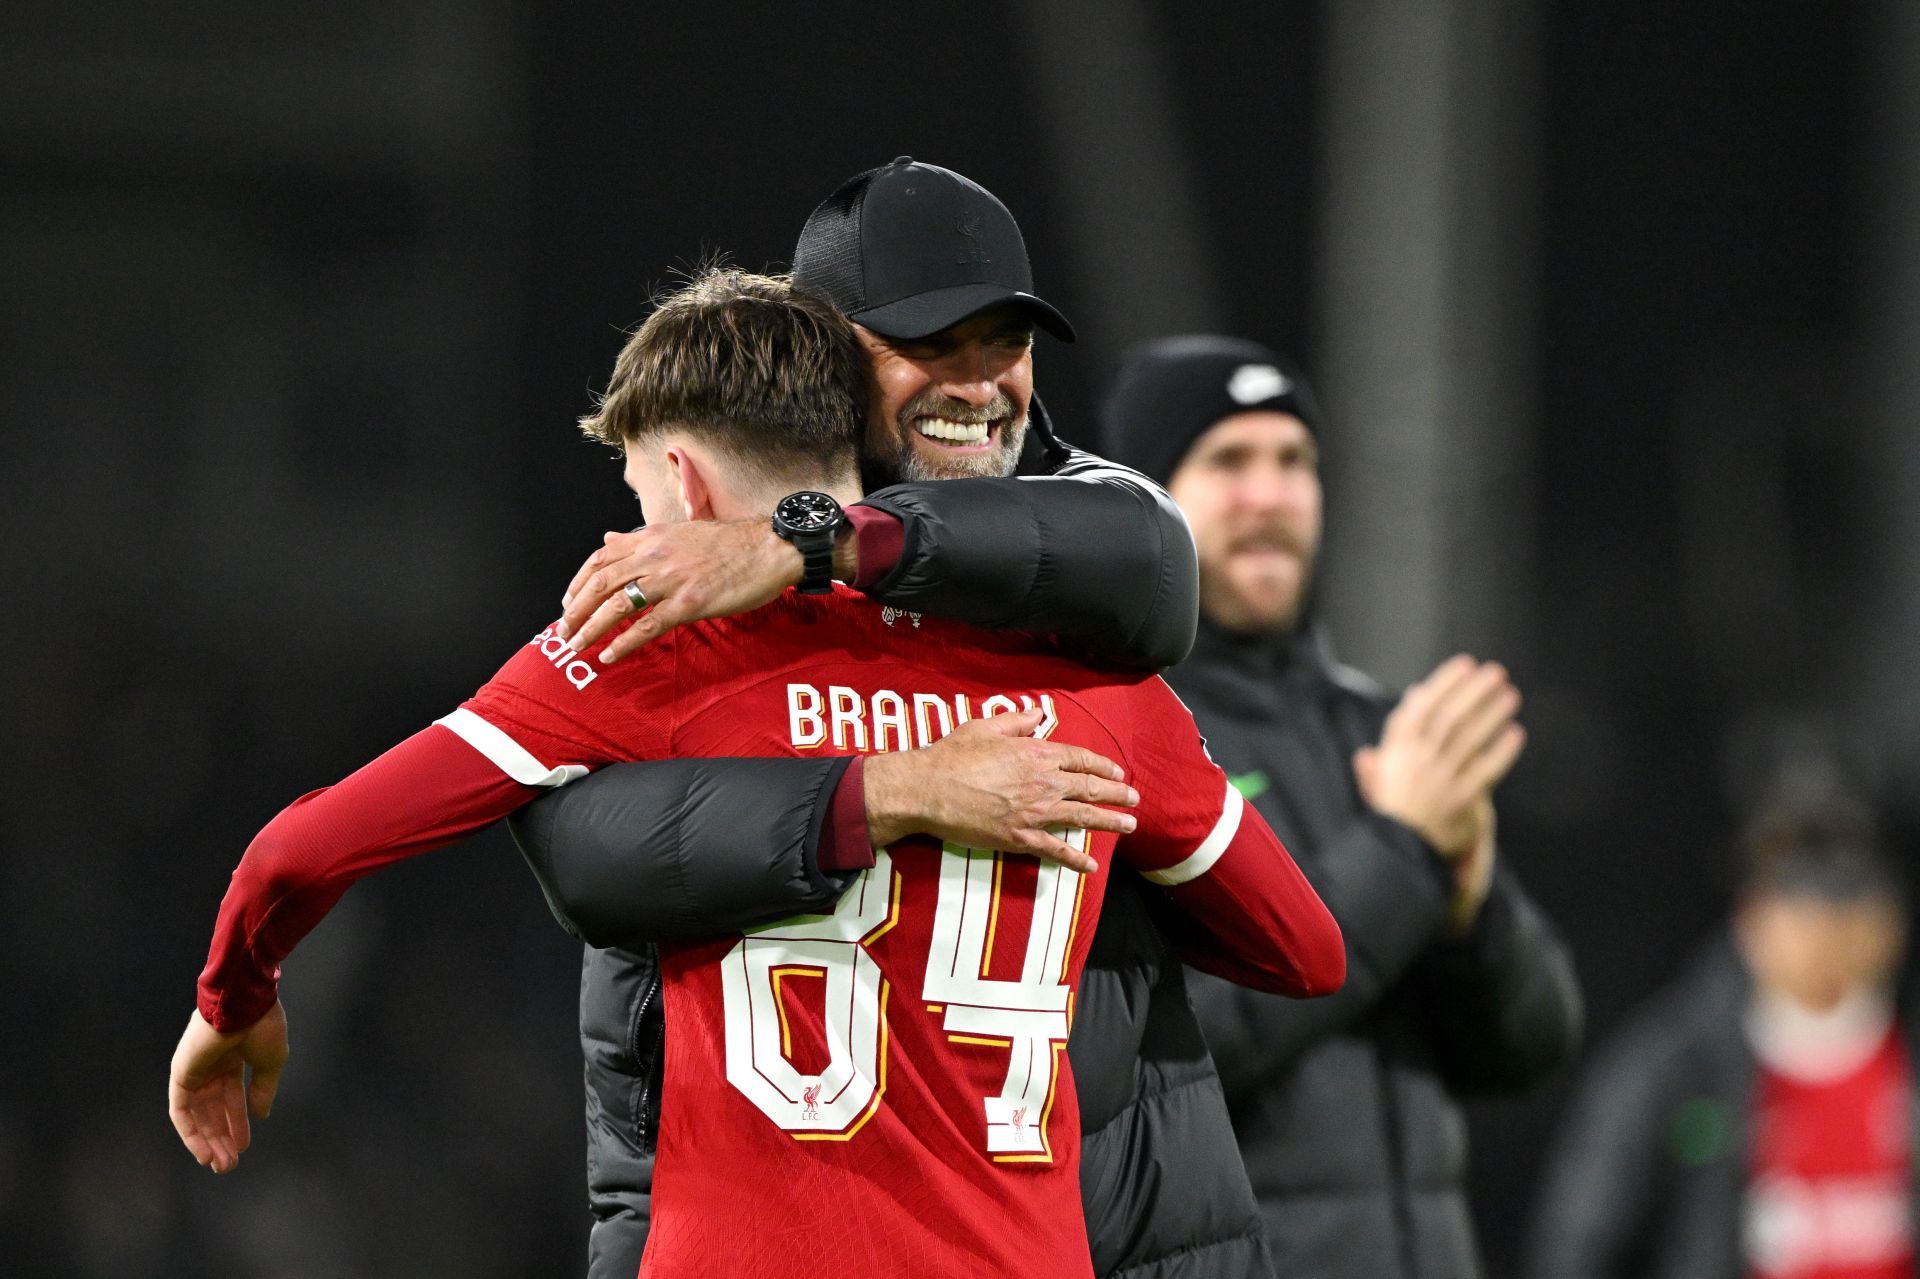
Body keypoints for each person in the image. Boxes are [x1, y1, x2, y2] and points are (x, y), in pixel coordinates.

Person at [167, 268, 1346, 1279]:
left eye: (636, 497)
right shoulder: (1096, 686)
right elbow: (1305, 949)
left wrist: (235, 1002)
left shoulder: (640, 650)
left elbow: (301, 849)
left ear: (679, 486)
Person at [521, 161, 1287, 1279]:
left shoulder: (1073, 540)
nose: (979, 386)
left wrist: (817, 536)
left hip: (1092, 1221)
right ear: (823, 355)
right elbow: (581, 849)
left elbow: (1155, 564)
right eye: (932, 343)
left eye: (1007, 344)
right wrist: (892, 792)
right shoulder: (694, 570)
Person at [1099, 334, 1584, 1279]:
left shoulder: (1386, 730)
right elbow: (1163, 1045)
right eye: (1228, 461)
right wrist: (1401, 852)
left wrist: (1468, 904)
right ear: (1147, 499)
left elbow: (1531, 1046)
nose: (1269, 494)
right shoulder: (1119, 725)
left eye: (1294, 461)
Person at [1526, 796, 1913, 1279]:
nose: (1825, 938)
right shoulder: (1677, 1066)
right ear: (1752, 924)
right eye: (1802, 913)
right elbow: (1582, 1240)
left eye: (1847, 910)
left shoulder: (1902, 1059)